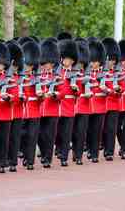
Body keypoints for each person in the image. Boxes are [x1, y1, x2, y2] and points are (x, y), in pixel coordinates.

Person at [0, 42, 16, 173]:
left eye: (0, 64)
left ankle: (2, 162)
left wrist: (8, 97)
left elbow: (15, 95)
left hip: (5, 112)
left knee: (4, 139)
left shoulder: (9, 77)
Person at [55, 38, 80, 166]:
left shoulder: (76, 73)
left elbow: (80, 92)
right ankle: (58, 150)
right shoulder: (56, 72)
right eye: (65, 59)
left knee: (66, 133)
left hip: (69, 106)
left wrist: (76, 90)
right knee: (57, 132)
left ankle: (64, 157)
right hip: (57, 106)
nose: (67, 61)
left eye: (69, 59)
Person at [38, 39, 61, 168]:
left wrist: (54, 95)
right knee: (40, 134)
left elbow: (61, 91)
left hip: (52, 108)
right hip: (41, 108)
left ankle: (48, 158)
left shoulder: (57, 76)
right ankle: (44, 153)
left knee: (49, 135)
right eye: (45, 62)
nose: (47, 65)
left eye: (49, 63)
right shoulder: (39, 75)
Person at [19, 40, 42, 170]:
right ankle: (23, 154)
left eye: (28, 65)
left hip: (34, 110)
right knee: (22, 135)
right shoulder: (20, 78)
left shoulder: (37, 78)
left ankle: (30, 160)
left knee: (32, 136)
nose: (26, 67)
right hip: (22, 110)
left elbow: (41, 93)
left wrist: (41, 96)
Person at [85, 40, 109, 163]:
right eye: (91, 61)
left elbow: (110, 89)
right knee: (88, 130)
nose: (92, 64)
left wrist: (105, 89)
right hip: (88, 106)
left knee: (97, 131)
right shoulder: (85, 73)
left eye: (94, 61)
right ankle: (89, 149)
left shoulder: (104, 74)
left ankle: (94, 154)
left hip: (100, 106)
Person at [101, 37, 122, 161]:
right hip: (102, 104)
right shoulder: (100, 72)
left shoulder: (118, 73)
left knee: (111, 129)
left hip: (113, 103)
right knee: (101, 128)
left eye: (112, 59)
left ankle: (109, 151)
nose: (110, 62)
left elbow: (121, 88)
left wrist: (116, 90)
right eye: (109, 59)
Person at [72, 38, 91, 165]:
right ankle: (74, 151)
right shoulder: (71, 73)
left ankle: (78, 155)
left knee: (81, 131)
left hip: (84, 106)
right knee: (72, 131)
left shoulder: (86, 74)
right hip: (72, 106)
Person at [7, 41, 25, 172]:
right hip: (6, 111)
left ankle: (13, 161)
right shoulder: (3, 77)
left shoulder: (21, 77)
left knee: (15, 137)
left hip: (17, 111)